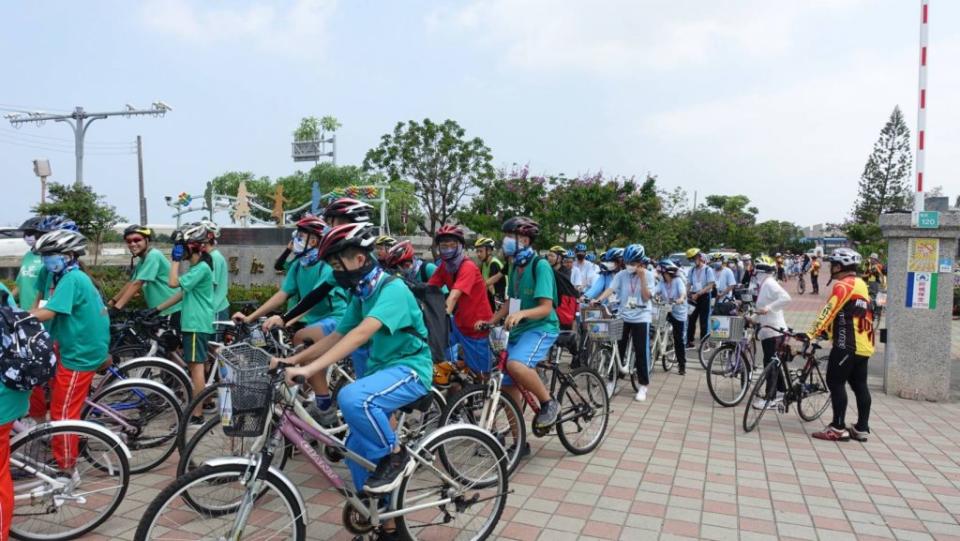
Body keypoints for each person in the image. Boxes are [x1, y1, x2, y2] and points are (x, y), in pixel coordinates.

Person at [276, 222, 432, 505]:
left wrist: (310, 370)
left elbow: (360, 334)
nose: (335, 272)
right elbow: (338, 335)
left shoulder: (392, 289)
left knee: (352, 397)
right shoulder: (363, 294)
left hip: (411, 370)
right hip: (382, 371)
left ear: (359, 259)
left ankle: (396, 455)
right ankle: (384, 524)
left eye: (338, 263)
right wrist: (294, 359)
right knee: (355, 450)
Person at [27, 230, 110, 468]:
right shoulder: (62, 277)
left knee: (62, 414)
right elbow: (43, 305)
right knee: (50, 394)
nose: (47, 260)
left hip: (80, 353)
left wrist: (17, 318)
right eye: (44, 256)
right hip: (68, 345)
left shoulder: (72, 279)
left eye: (52, 255)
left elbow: (49, 312)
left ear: (69, 255)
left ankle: (66, 470)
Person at [476, 217, 560, 440]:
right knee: (507, 387)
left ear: (524, 239)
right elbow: (511, 302)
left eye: (509, 237)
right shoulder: (514, 266)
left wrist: (522, 313)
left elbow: (545, 308)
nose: (505, 242)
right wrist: (491, 320)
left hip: (542, 327)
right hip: (520, 330)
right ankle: (520, 443)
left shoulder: (540, 266)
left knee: (516, 364)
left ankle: (548, 403)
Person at [152, 224, 215, 425]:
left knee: (196, 370)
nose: (178, 250)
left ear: (193, 247)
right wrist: (157, 309)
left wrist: (174, 261)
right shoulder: (197, 268)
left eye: (181, 246)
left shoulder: (202, 268)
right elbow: (182, 294)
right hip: (193, 323)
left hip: (196, 324)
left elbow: (172, 283)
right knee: (195, 367)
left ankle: (196, 414)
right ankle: (201, 406)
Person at [810, 248, 874, 442]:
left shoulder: (843, 285)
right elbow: (847, 313)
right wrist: (825, 332)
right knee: (860, 385)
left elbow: (829, 311)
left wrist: (810, 333)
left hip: (847, 344)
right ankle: (861, 428)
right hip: (864, 345)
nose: (831, 268)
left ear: (839, 266)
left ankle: (838, 427)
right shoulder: (861, 284)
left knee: (835, 383)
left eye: (832, 265)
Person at [427, 225, 493, 375]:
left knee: (481, 376)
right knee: (440, 358)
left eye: (452, 245)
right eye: (444, 246)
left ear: (460, 246)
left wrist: (442, 313)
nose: (448, 249)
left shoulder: (467, 267)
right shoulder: (445, 266)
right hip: (458, 324)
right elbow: (430, 289)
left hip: (476, 327)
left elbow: (454, 296)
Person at [593, 244, 655, 401]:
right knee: (617, 349)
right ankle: (613, 380)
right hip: (623, 315)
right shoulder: (621, 274)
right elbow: (611, 290)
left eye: (633, 263)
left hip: (641, 316)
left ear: (640, 262)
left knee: (641, 351)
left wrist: (641, 278)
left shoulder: (648, 275)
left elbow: (647, 297)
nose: (629, 266)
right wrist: (598, 300)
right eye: (627, 262)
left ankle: (643, 385)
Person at [107, 224, 183, 323]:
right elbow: (131, 283)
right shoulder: (143, 261)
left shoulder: (154, 255)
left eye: (137, 240)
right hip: (161, 312)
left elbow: (138, 283)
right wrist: (111, 302)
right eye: (129, 241)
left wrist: (116, 309)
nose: (132, 244)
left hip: (174, 310)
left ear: (147, 240)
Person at [751, 255, 791, 409]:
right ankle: (781, 391)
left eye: (756, 270)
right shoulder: (764, 285)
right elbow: (762, 307)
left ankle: (770, 398)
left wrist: (769, 308)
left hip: (774, 331)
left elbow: (786, 298)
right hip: (769, 330)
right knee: (774, 362)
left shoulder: (769, 284)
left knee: (770, 364)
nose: (755, 274)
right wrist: (753, 317)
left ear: (760, 271)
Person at [657, 259, 688, 375]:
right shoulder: (661, 282)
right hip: (665, 310)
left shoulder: (678, 281)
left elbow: (683, 293)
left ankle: (682, 365)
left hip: (678, 312)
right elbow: (655, 291)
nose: (661, 275)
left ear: (668, 273)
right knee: (654, 328)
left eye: (662, 273)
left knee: (678, 339)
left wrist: (680, 299)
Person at [12, 216, 46, 311]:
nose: (27, 236)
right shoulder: (28, 255)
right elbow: (20, 283)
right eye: (25, 233)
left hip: (40, 311)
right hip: (25, 309)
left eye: (30, 233)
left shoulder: (49, 258)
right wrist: (8, 298)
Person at [200, 220, 231, 321]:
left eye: (199, 233)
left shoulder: (214, 258)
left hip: (216, 309)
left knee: (216, 337)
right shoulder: (211, 256)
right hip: (214, 308)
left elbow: (210, 286)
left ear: (208, 236)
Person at [685, 248, 716, 347]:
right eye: (690, 260)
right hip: (694, 296)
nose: (693, 261)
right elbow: (689, 284)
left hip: (704, 296)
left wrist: (698, 294)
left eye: (693, 259)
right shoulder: (692, 270)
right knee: (691, 319)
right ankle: (690, 341)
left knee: (704, 320)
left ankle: (704, 343)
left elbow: (710, 285)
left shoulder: (708, 269)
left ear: (699, 257)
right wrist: (685, 294)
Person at [474, 237, 506, 312]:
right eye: (477, 251)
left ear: (488, 251)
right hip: (492, 297)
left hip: (500, 298)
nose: (478, 254)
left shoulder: (494, 263)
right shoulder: (484, 264)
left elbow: (491, 285)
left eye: (481, 251)